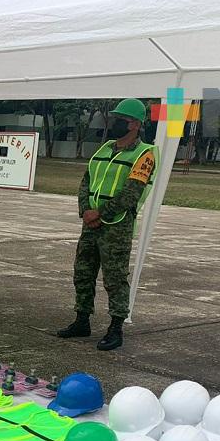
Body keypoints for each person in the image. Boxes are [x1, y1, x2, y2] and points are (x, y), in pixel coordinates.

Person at [58, 98, 156, 351]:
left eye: (120, 119)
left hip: (116, 226)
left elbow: (131, 193)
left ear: (134, 124)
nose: (115, 123)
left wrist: (99, 213)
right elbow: (86, 182)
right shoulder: (103, 149)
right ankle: (82, 320)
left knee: (114, 278)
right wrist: (85, 210)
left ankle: (116, 328)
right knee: (83, 272)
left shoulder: (144, 155)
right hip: (90, 223)